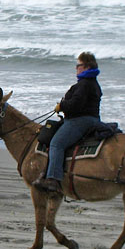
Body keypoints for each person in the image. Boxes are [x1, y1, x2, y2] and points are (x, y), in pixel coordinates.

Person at [33, 52, 102, 193]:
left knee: (56, 143)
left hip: (80, 120)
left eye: (79, 65)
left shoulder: (84, 84)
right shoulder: (91, 83)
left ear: (87, 66)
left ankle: (53, 180)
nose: (76, 68)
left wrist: (62, 106)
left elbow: (76, 105)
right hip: (91, 119)